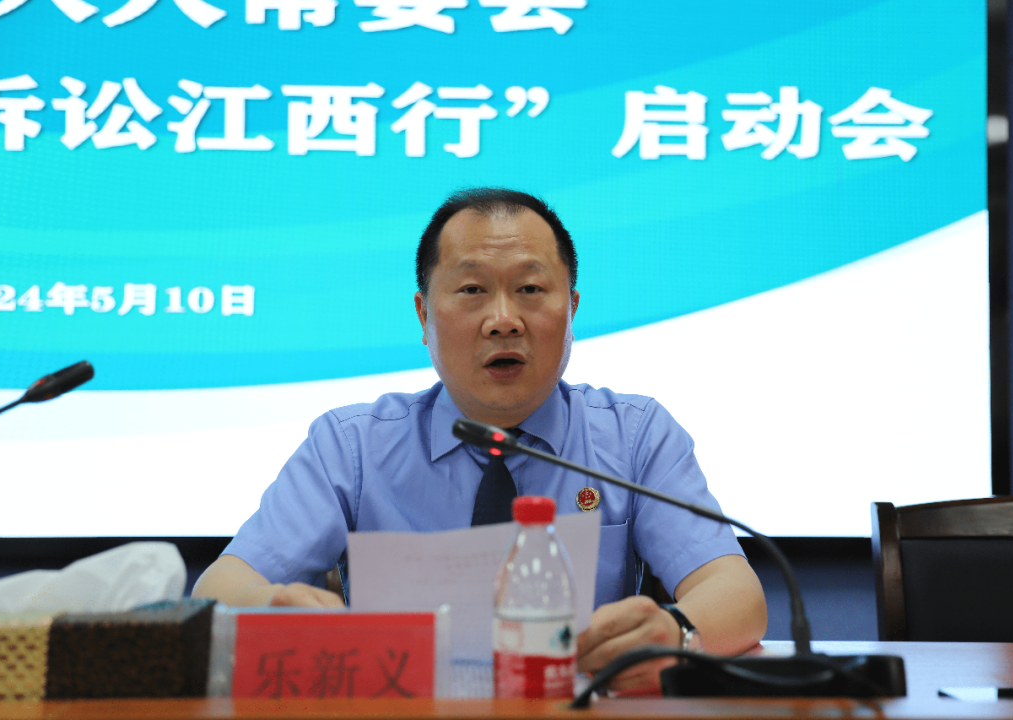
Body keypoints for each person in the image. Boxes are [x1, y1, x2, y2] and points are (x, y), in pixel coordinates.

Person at [193, 188, 767, 689]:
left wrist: (678, 632)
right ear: (423, 316)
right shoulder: (352, 447)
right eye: (472, 290)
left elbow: (736, 593)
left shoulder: (634, 436)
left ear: (572, 310)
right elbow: (219, 587)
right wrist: (271, 607)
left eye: (530, 289)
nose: (503, 320)